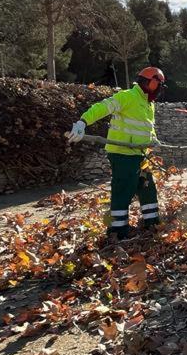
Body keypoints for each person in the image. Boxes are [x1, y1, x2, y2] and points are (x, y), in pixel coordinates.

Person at [67, 67, 166, 241]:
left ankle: (152, 222)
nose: (159, 89)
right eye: (158, 84)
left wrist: (154, 140)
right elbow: (102, 107)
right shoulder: (127, 96)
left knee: (147, 188)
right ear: (150, 82)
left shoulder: (149, 104)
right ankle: (117, 232)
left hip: (140, 155)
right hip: (122, 155)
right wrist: (82, 122)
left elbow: (147, 127)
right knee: (123, 191)